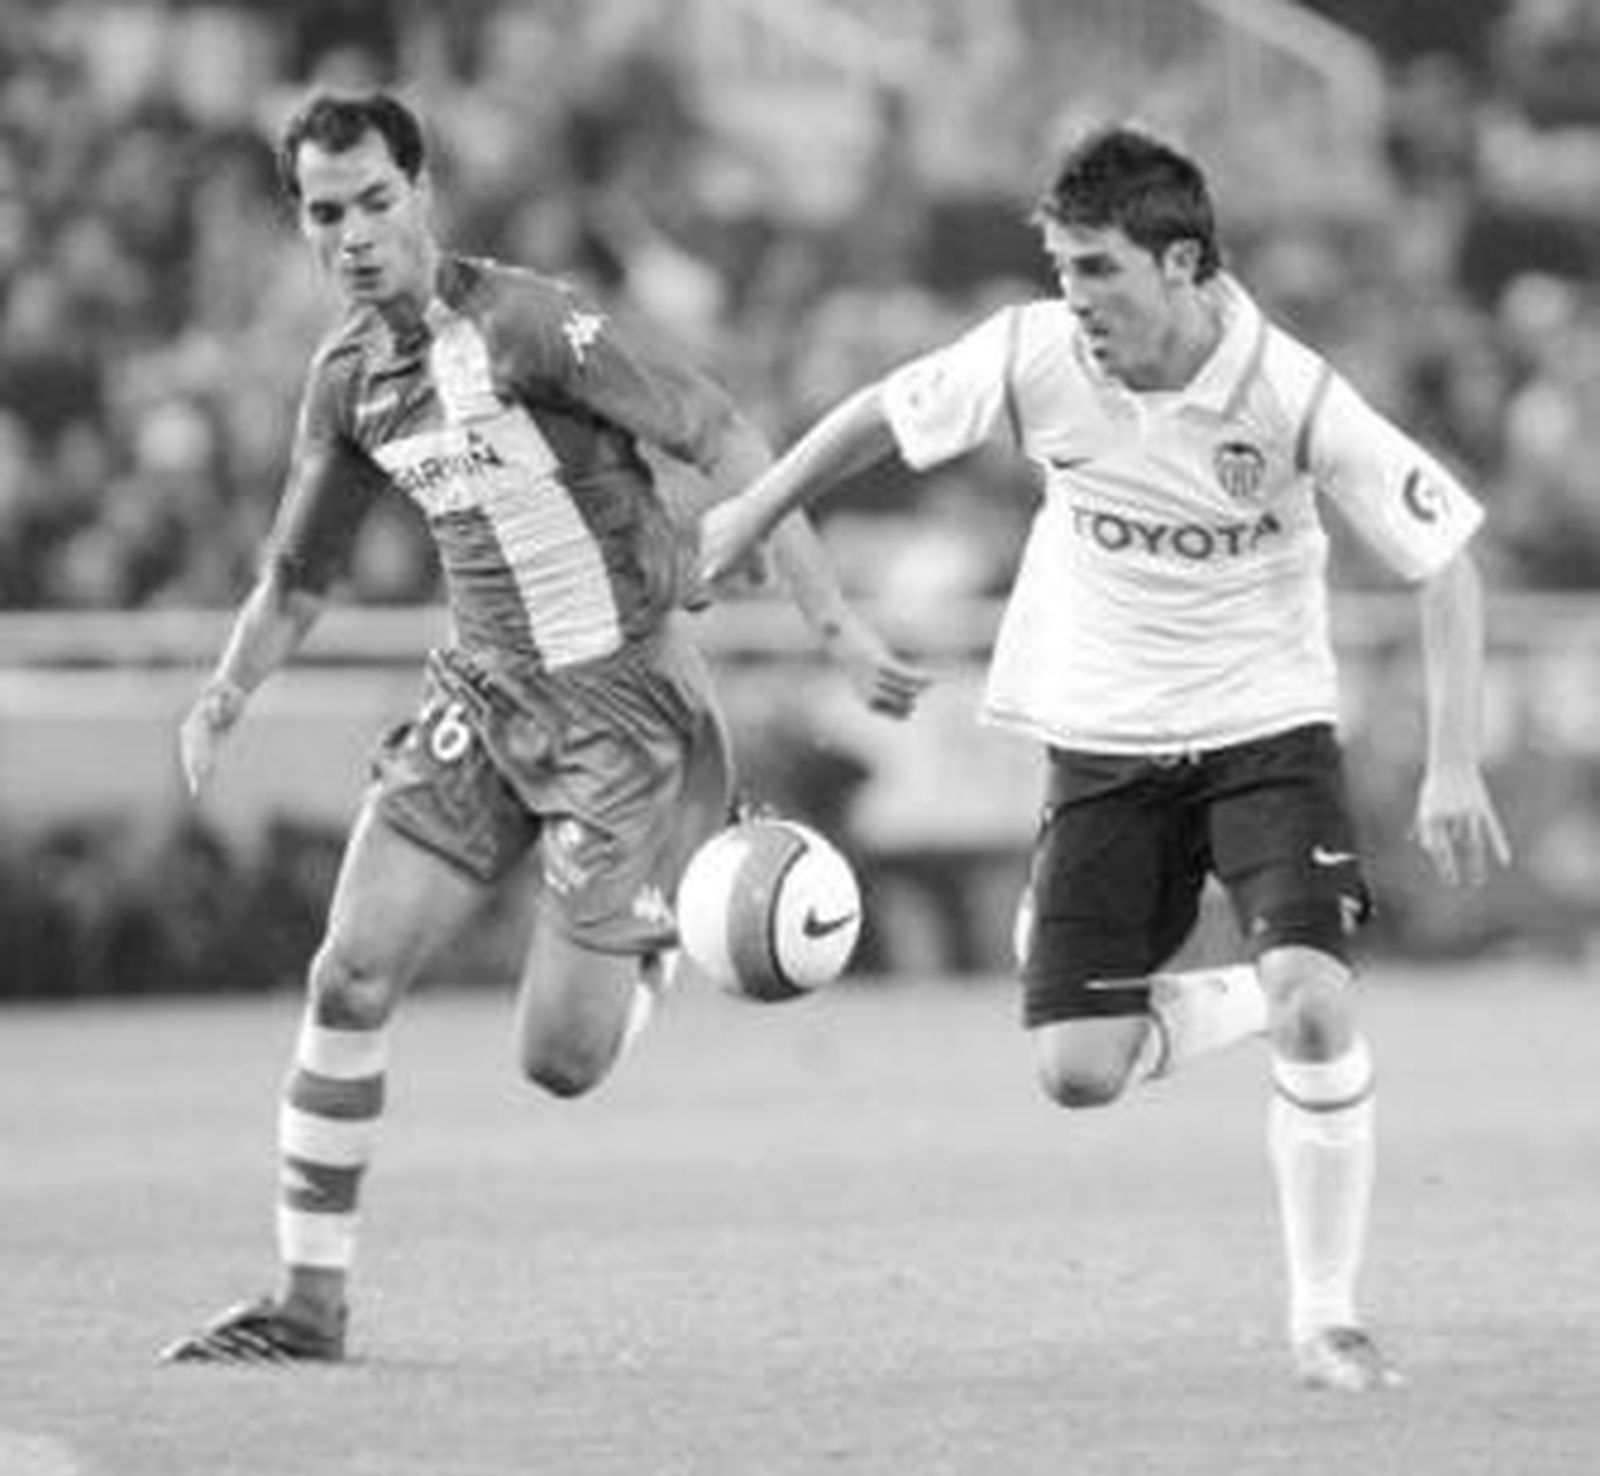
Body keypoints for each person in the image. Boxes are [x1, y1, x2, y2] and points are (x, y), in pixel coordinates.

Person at [700, 125, 1510, 1392]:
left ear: (1181, 264)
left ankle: (1326, 1317)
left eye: (1097, 271)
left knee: (1314, 996)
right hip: (1103, 741)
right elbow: (875, 415)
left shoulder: (1287, 391)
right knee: (1080, 1072)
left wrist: (1452, 761)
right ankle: (1261, 992)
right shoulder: (1032, 358)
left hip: (1264, 727)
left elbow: (1444, 558)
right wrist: (753, 510)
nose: (1073, 302)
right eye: (1063, 269)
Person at [159, 90, 931, 1365]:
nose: (351, 234)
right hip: (478, 695)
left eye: (373, 202)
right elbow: (300, 574)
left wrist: (833, 625)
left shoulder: (531, 325)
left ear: (423, 191)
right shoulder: (350, 379)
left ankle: (660, 939)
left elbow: (726, 434)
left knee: (559, 1065)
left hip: (623, 712)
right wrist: (226, 693)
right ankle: (307, 1300)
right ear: (299, 223)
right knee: (346, 972)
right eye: (322, 212)